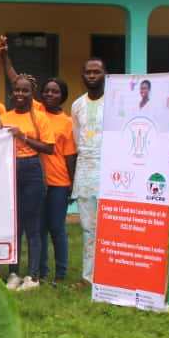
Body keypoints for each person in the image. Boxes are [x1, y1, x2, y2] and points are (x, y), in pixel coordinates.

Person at [0, 75, 54, 291]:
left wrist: (22, 136)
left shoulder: (40, 117)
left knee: (33, 225)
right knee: (14, 225)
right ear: (11, 92)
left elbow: (49, 148)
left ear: (32, 94)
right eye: (17, 90)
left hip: (32, 168)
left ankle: (33, 276)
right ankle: (13, 273)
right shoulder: (4, 117)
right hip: (9, 169)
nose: (20, 94)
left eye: (25, 90)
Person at [38, 77, 77, 287]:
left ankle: (61, 273)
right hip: (37, 181)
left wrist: (72, 184)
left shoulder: (68, 122)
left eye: (55, 91)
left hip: (59, 182)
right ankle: (41, 272)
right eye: (47, 91)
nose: (50, 94)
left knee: (56, 228)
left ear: (63, 96)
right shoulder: (36, 113)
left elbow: (70, 156)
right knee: (39, 229)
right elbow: (18, 81)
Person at [71, 57, 106, 285]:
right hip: (85, 169)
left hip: (109, 170)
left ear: (105, 75)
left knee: (110, 226)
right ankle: (89, 276)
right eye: (88, 72)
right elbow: (77, 140)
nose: (92, 76)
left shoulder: (114, 102)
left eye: (97, 72)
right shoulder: (77, 105)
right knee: (88, 227)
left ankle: (109, 274)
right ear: (83, 76)